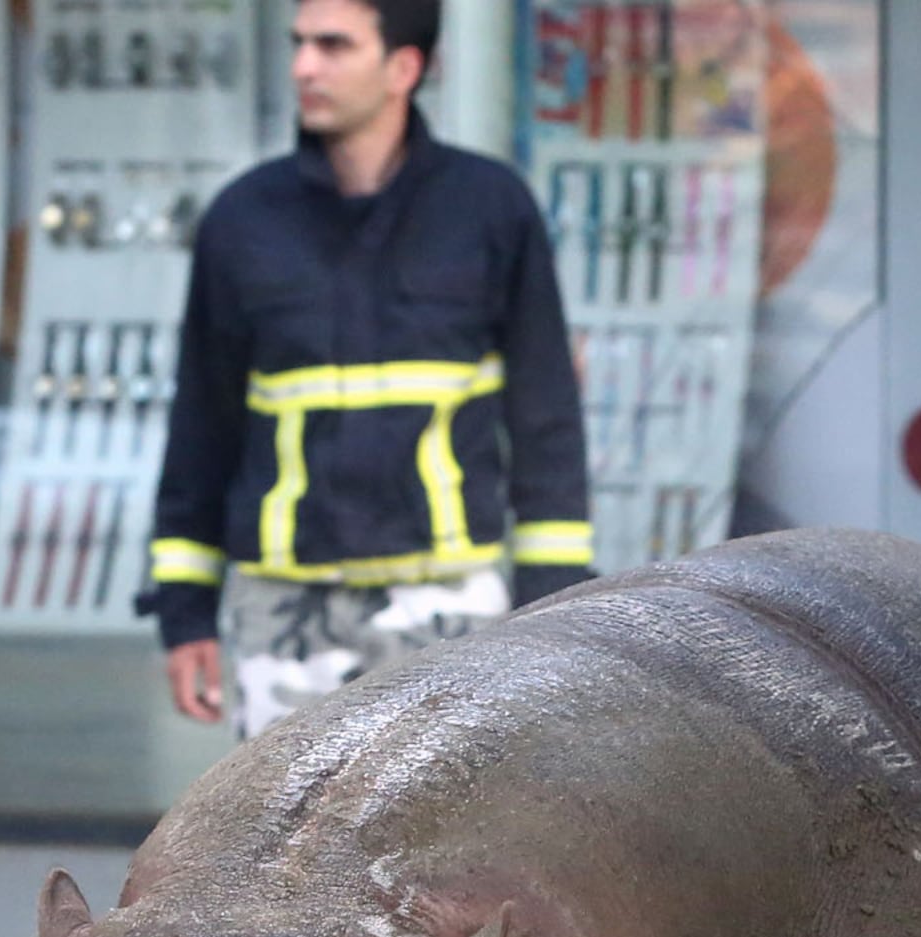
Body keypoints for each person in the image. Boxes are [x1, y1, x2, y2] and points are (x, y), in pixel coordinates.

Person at [144, 0, 593, 736]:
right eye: (298, 45)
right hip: (282, 614)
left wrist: (554, 608)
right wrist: (183, 610)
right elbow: (202, 426)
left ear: (403, 68)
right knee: (275, 848)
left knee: (453, 843)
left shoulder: (491, 211)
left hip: (449, 607)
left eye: (333, 46)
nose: (303, 67)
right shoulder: (241, 221)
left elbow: (546, 424)